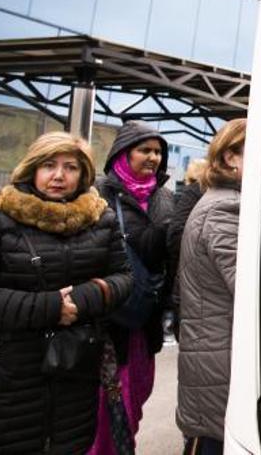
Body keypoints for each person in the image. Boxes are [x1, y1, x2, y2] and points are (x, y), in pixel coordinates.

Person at [0, 132, 132, 454]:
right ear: (32, 170)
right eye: (49, 165)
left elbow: (123, 277)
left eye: (70, 167)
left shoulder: (100, 221)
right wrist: (49, 307)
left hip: (74, 381)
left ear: (83, 175)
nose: (58, 175)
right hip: (3, 384)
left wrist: (86, 297)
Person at [90, 120, 174, 454]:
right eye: (144, 150)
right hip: (108, 320)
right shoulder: (99, 194)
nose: (152, 157)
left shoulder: (164, 198)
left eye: (157, 152)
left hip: (146, 319)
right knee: (103, 406)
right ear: (123, 153)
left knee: (134, 398)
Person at [175, 118, 246, 454]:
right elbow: (254, 293)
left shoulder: (221, 201)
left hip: (214, 360)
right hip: (219, 365)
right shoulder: (225, 209)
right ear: (231, 157)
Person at [166, 158, 208, 339]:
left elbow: (174, 239)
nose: (186, 185)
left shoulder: (192, 195)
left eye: (190, 180)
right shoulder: (193, 196)